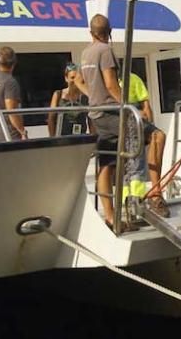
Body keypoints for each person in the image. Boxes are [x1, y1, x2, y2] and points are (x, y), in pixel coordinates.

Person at [71, 14, 169, 226]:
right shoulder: (105, 50)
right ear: (110, 32)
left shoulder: (86, 53)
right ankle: (154, 196)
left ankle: (110, 216)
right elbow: (110, 84)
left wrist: (93, 97)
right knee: (156, 136)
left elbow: (78, 81)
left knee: (106, 164)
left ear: (91, 33)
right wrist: (129, 106)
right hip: (114, 114)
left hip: (97, 115)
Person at [119, 69, 168, 213]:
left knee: (158, 136)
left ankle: (155, 192)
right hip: (119, 120)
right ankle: (128, 199)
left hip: (137, 120)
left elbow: (146, 106)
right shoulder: (106, 83)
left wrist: (149, 121)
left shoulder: (133, 78)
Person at [48, 63, 91, 136]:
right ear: (66, 78)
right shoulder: (58, 94)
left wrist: (92, 137)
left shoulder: (84, 96)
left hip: (80, 137)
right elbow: (51, 118)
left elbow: (90, 119)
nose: (75, 81)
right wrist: (52, 138)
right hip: (62, 137)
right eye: (72, 77)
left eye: (77, 78)